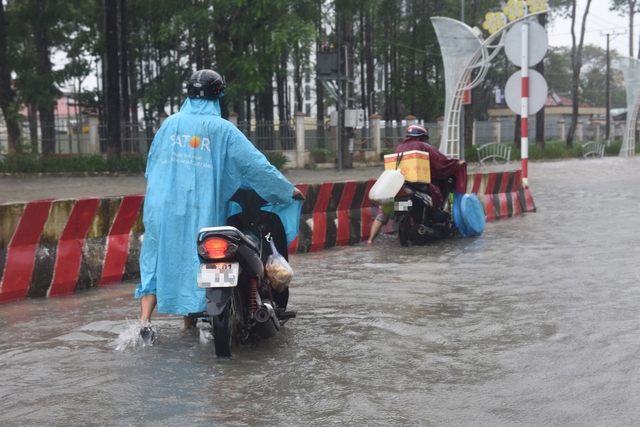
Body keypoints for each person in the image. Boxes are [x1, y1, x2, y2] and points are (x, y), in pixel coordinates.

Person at [136, 69, 303, 338]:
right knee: (198, 260)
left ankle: (145, 323)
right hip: (201, 208)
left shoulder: (169, 124)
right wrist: (286, 190)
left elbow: (152, 166)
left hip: (163, 207)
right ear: (219, 96)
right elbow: (255, 165)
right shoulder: (223, 129)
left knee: (159, 258)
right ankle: (195, 323)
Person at [368, 124, 466, 244]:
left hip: (398, 185)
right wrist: (457, 163)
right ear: (423, 136)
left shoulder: (398, 147)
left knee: (382, 213)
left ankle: (370, 241)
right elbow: (441, 161)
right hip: (415, 186)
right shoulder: (422, 146)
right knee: (435, 194)